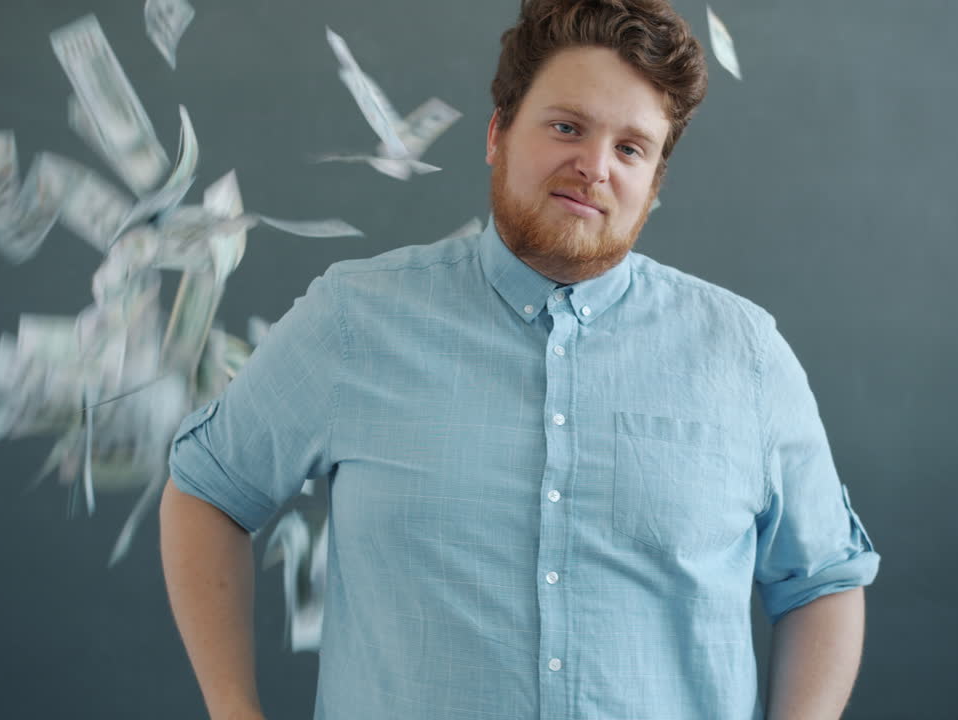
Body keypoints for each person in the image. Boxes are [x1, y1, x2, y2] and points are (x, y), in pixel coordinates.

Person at [160, 1, 880, 718]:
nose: (594, 167)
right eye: (567, 127)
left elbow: (822, 579)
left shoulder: (745, 354)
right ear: (498, 134)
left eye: (631, 149)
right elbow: (207, 492)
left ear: (654, 182)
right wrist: (232, 709)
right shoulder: (353, 320)